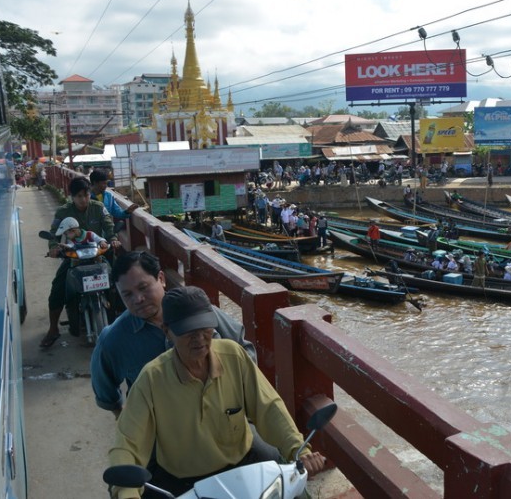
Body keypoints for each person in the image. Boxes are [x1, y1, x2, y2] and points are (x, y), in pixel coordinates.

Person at [107, 286, 325, 498]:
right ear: (167, 332)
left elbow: (268, 407)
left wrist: (300, 450)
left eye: (205, 328)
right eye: (188, 331)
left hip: (243, 468)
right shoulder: (151, 378)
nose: (200, 338)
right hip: (180, 481)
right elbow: (128, 442)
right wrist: (125, 492)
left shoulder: (234, 355)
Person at [90, 251, 258, 417]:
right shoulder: (114, 339)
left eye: (143, 287)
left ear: (161, 279)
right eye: (127, 294)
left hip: (220, 415)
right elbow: (105, 388)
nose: (138, 299)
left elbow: (244, 349)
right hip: (161, 430)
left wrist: (235, 396)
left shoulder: (195, 308)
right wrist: (124, 419)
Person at [41, 177, 118, 348]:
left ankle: (124, 320)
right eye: (79, 196)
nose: (83, 199)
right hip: (73, 259)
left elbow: (108, 225)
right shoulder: (63, 212)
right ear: (72, 197)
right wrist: (54, 247)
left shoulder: (98, 207)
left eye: (86, 195)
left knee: (120, 280)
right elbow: (54, 233)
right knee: (58, 288)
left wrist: (112, 238)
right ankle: (53, 329)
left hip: (98, 255)